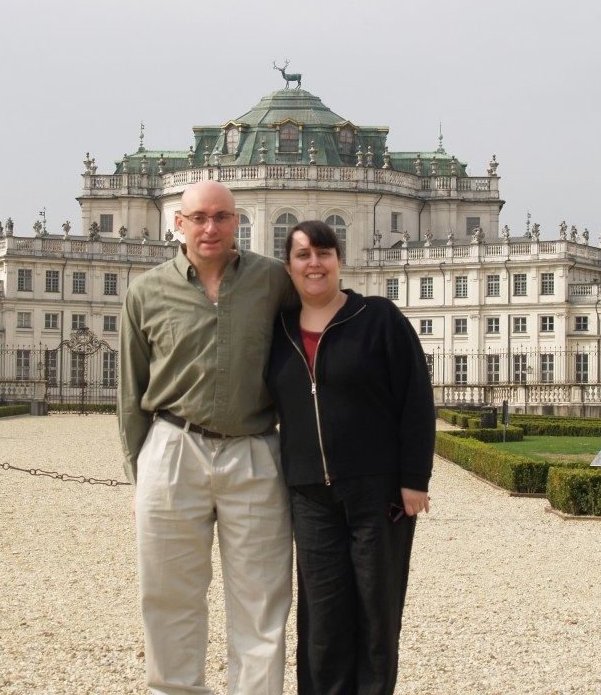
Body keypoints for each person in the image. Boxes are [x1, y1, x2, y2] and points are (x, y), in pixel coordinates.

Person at [118, 179, 297, 695]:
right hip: (173, 446)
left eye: (221, 216)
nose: (210, 227)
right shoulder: (146, 290)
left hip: (255, 448)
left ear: (237, 221)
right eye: (199, 217)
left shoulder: (272, 281)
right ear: (179, 223)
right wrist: (137, 476)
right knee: (168, 596)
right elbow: (131, 392)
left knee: (262, 602)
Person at [266, 220, 435, 695]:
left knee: (376, 613)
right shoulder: (277, 328)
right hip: (309, 495)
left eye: (324, 252)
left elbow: (416, 399)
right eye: (303, 255)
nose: (314, 263)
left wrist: (414, 478)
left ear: (340, 260)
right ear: (288, 267)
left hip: (376, 491)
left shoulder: (377, 316)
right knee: (321, 617)